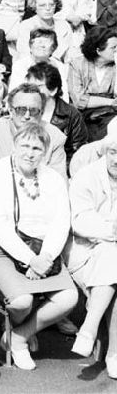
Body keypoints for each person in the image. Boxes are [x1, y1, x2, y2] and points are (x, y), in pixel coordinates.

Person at [0, 123, 78, 370]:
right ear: (14, 146)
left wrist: (45, 256)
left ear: (44, 152)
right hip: (3, 249)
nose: (30, 153)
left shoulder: (52, 178)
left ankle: (17, 337)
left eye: (36, 148)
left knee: (68, 298)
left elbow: (61, 220)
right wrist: (29, 259)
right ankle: (24, 329)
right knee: (22, 302)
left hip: (43, 250)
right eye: (24, 145)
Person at [67, 133, 117, 377]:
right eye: (113, 152)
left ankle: (89, 327)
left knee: (112, 255)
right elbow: (80, 223)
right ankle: (115, 353)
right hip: (84, 253)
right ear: (105, 151)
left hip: (108, 255)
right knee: (112, 253)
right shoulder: (87, 176)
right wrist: (111, 229)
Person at [67, 26, 117, 141]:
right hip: (85, 115)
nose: (116, 51)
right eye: (113, 48)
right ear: (98, 50)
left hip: (111, 114)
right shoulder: (77, 64)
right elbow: (79, 100)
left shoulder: (114, 66)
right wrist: (110, 102)